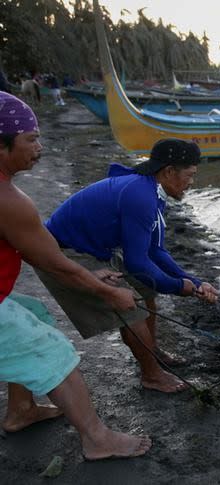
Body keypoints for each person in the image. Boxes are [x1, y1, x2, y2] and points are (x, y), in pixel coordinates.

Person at [0, 91, 151, 459]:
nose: (41, 146)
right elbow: (51, 263)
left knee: (33, 313)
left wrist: (91, 274)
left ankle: (20, 410)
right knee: (54, 352)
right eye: (31, 139)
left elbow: (41, 248)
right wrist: (110, 293)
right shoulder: (9, 200)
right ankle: (97, 439)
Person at [40, 138, 219, 393]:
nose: (192, 182)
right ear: (169, 171)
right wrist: (180, 287)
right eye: (190, 175)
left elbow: (155, 251)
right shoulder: (141, 195)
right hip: (65, 252)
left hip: (96, 248)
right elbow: (137, 260)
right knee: (128, 305)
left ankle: (152, 351)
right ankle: (152, 375)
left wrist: (196, 282)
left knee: (147, 292)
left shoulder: (152, 191)